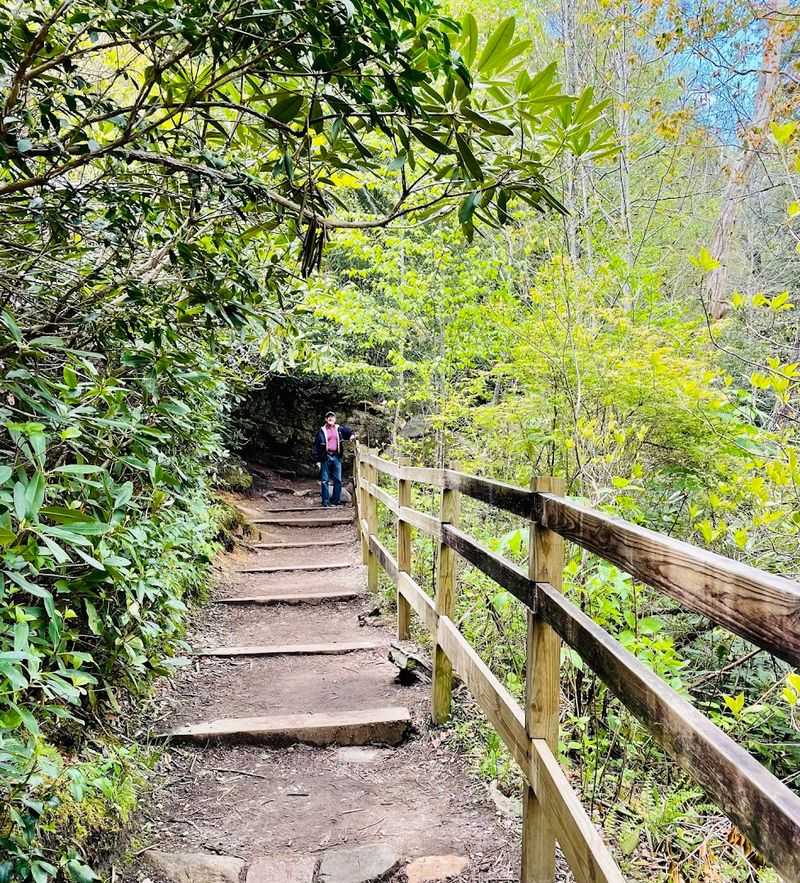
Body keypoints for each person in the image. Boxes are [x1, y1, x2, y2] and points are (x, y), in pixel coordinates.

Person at [313, 411, 357, 507]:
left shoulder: (339, 429)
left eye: (332, 417)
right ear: (325, 419)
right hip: (325, 456)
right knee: (325, 480)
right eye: (328, 417)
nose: (330, 418)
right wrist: (317, 460)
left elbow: (350, 432)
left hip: (336, 456)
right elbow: (316, 447)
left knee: (337, 480)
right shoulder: (321, 431)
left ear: (335, 419)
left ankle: (335, 501)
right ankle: (325, 502)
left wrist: (352, 435)